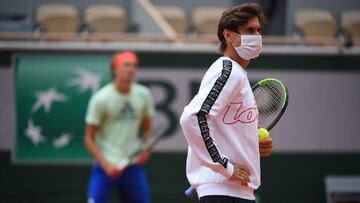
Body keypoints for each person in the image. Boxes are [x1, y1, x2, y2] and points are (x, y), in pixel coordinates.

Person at [180, 3, 273, 203]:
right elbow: (193, 117)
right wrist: (224, 166)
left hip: (233, 193)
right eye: (249, 30)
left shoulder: (236, 73)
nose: (256, 36)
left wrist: (251, 145)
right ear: (228, 36)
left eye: (258, 30)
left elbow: (223, 129)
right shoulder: (227, 69)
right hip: (224, 193)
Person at [84, 51, 155, 203]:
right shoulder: (100, 98)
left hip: (132, 167)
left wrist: (145, 149)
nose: (131, 69)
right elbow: (88, 138)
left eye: (134, 66)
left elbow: (148, 129)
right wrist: (106, 165)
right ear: (115, 69)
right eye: (126, 65)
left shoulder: (143, 94)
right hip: (104, 167)